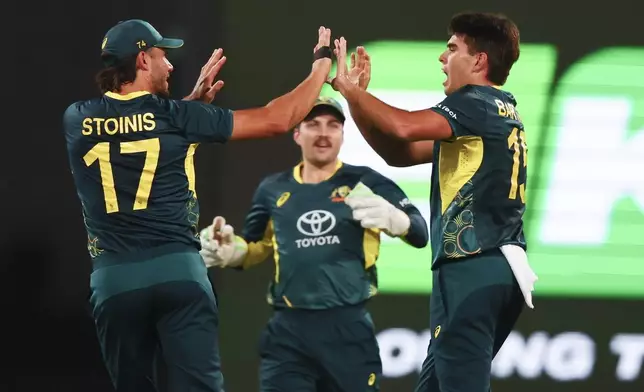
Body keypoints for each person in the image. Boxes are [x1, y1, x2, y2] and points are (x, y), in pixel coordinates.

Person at [62, 18, 334, 392]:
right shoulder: (179, 118)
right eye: (162, 55)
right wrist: (321, 66)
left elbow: (134, 128)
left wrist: (191, 107)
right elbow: (277, 120)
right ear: (142, 61)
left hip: (114, 279)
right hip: (178, 271)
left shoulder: (77, 117)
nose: (170, 64)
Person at [328, 12, 538, 392]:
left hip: (470, 266)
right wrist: (357, 103)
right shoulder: (499, 109)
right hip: (498, 266)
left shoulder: (473, 103)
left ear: (479, 61)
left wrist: (353, 91)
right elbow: (399, 152)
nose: (443, 58)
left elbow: (404, 126)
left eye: (453, 48)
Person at [198, 97, 429, 392]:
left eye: (333, 126)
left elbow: (420, 233)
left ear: (343, 135)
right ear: (297, 134)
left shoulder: (364, 180)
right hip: (289, 332)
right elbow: (255, 247)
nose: (323, 133)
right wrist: (229, 252)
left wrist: (397, 221)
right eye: (313, 125)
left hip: (348, 328)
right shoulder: (273, 189)